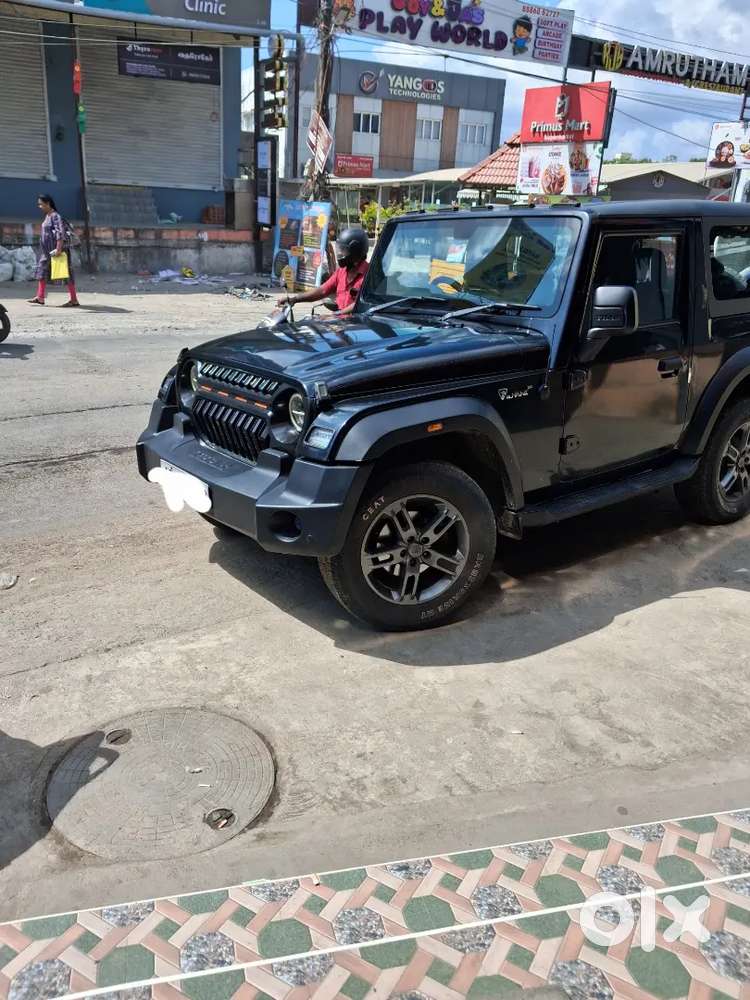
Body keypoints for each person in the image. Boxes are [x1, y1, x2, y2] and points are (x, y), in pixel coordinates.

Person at [277, 227, 369, 315]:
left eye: (343, 250)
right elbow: (323, 290)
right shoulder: (341, 272)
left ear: (355, 252)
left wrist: (337, 314)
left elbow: (361, 303)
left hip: (357, 326)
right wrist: (294, 299)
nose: (340, 254)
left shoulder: (369, 275)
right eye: (340, 250)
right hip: (339, 323)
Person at [28, 194, 79, 307]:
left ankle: (74, 299)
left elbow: (60, 233)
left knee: (67, 274)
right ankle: (40, 297)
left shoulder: (56, 216)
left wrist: (59, 249)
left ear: (48, 204)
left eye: (41, 204)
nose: (39, 206)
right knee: (42, 270)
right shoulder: (48, 216)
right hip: (47, 252)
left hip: (58, 251)